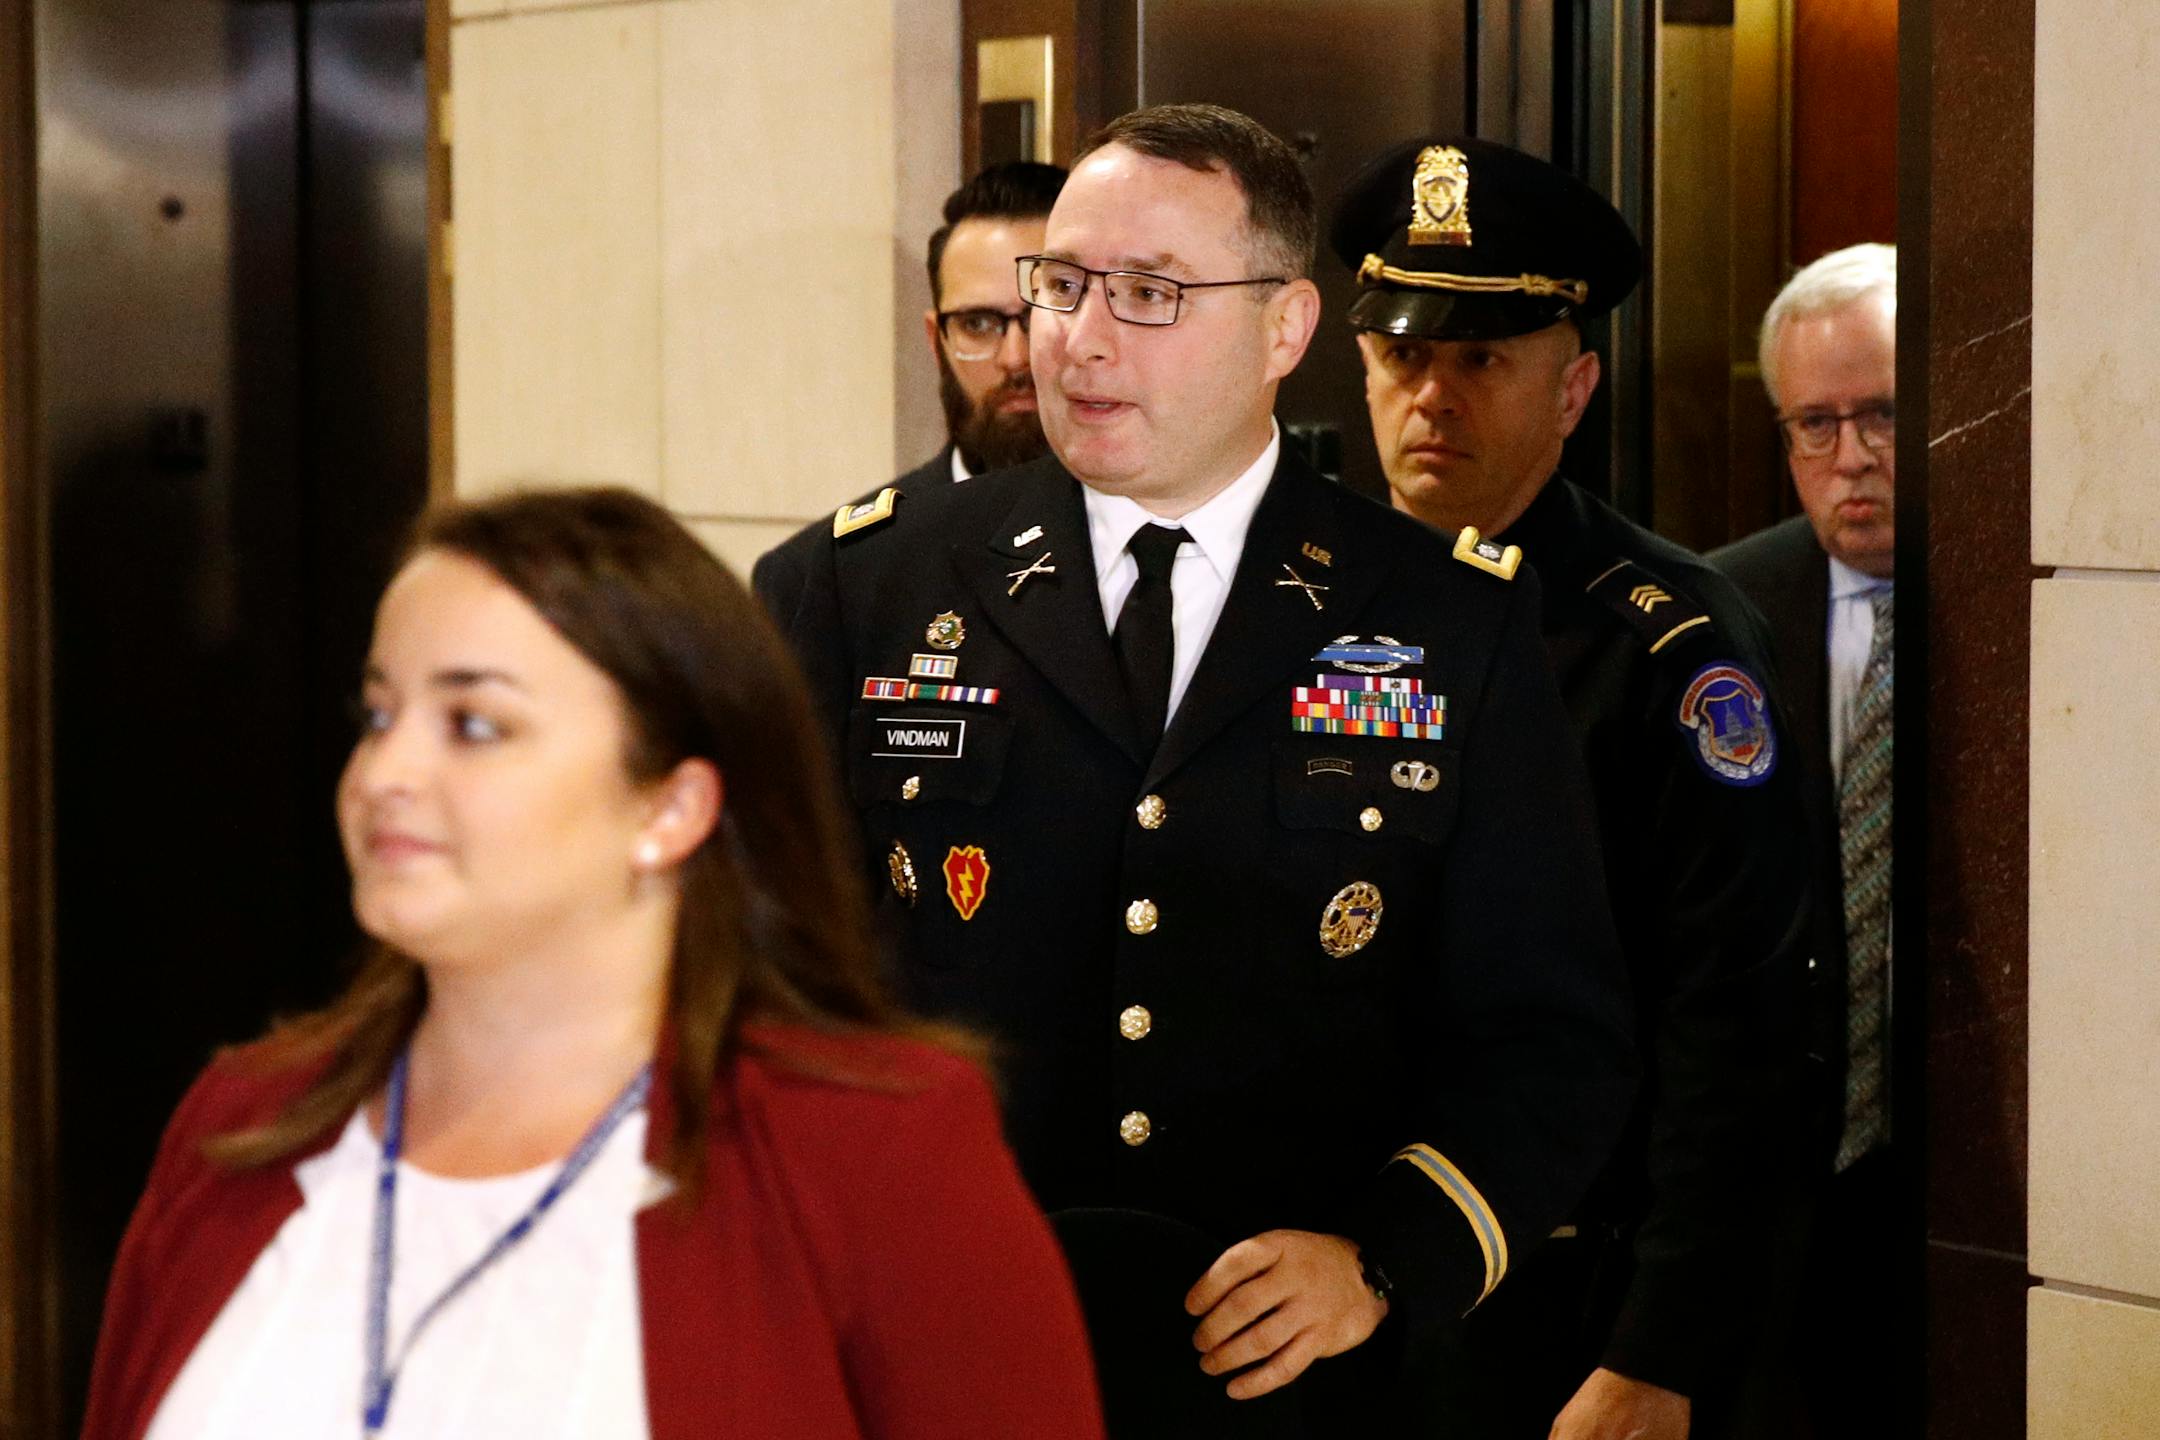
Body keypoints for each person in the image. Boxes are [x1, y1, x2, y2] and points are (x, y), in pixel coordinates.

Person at [756, 103, 1635, 1435]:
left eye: (1153, 293)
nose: (1082, 338)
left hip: (1301, 1390)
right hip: (936, 1364)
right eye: (1062, 286)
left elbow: (1551, 1043)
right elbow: (749, 984)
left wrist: (1384, 1262)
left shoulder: (1446, 620)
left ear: (1286, 329)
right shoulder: (861, 587)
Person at [81, 487, 1104, 1440]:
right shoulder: (242, 1122)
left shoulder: (871, 1152)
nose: (386, 775)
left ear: (672, 806)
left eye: (475, 724)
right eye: (380, 715)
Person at [1328, 136, 1815, 1439]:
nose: (1432, 397)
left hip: (1551, 1303)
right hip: (1317, 1278)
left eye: (1482, 361)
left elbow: (1742, 1029)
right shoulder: (1289, 605)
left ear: (1574, 386)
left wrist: (1664, 1348)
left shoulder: (1666, 646)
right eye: (1403, 356)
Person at [1711, 241, 1897, 1439]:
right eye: (1814, 425)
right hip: (1766, 1177)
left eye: (1882, 414)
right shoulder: (1718, 609)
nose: (1852, 460)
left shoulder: (2035, 594)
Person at [754, 160, 1066, 625]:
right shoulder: (821, 577)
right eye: (977, 325)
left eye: (1039, 315)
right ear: (935, 341)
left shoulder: (1160, 544)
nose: (1014, 358)